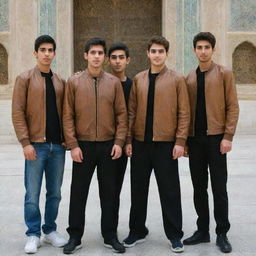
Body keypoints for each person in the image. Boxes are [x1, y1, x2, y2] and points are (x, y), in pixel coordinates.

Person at [123, 35, 190, 253]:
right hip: (141, 145)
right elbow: (131, 112)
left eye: (161, 51)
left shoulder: (177, 79)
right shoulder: (139, 79)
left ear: (166, 54)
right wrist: (129, 140)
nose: (157, 55)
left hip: (165, 145)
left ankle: (174, 235)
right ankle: (137, 231)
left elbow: (184, 112)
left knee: (170, 191)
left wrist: (180, 141)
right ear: (148, 53)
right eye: (154, 51)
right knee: (138, 190)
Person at [63, 37, 127, 254]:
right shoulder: (74, 82)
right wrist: (73, 145)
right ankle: (75, 236)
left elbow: (121, 115)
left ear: (105, 58)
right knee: (78, 192)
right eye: (93, 52)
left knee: (109, 193)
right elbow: (68, 115)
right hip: (83, 146)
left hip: (108, 146)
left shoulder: (114, 83)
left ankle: (110, 235)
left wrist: (119, 142)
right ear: (86, 55)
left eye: (101, 53)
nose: (97, 56)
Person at [183, 32, 239, 253]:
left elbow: (232, 107)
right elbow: (185, 111)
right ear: (194, 50)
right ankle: (202, 230)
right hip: (196, 140)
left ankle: (222, 232)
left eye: (207, 47)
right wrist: (185, 140)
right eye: (199, 47)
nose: (203, 51)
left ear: (213, 50)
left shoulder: (224, 74)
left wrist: (228, 136)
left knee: (219, 188)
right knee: (199, 188)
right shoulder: (189, 78)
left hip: (216, 139)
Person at [12, 35, 67, 254]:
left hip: (57, 147)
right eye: (42, 49)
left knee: (54, 193)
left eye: (50, 50)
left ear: (54, 53)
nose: (46, 53)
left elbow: (65, 112)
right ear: (35, 53)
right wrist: (26, 142)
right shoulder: (24, 79)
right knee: (32, 193)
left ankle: (50, 230)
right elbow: (18, 113)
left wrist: (66, 139)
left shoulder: (59, 81)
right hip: (36, 145)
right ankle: (33, 234)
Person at [108, 41, 132, 230]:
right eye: (114, 58)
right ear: (108, 60)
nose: (117, 62)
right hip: (111, 144)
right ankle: (111, 229)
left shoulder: (135, 85)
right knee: (112, 189)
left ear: (128, 60)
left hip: (130, 143)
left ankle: (138, 227)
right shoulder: (102, 84)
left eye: (121, 58)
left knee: (138, 188)